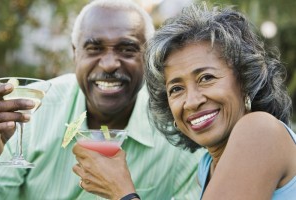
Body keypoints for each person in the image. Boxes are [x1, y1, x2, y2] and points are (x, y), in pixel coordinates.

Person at [73, 2, 296, 200]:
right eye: (176, 89)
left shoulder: (259, 131)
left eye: (206, 78)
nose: (191, 102)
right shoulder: (206, 167)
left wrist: (122, 192)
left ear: (246, 81)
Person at [0, 0, 205, 199]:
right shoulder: (30, 110)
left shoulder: (177, 128)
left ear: (148, 58)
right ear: (75, 53)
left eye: (127, 49)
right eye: (94, 48)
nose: (109, 64)